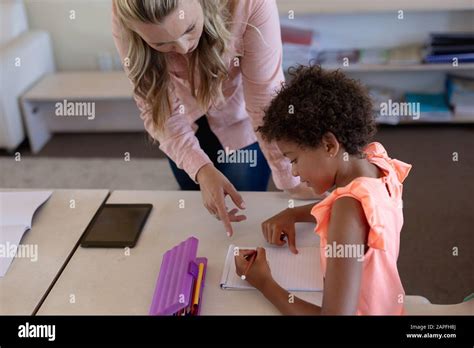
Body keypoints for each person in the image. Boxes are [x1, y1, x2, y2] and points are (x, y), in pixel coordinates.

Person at [111, 0, 319, 238]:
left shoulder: (249, 4)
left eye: (189, 29)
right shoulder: (126, 10)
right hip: (183, 120)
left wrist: (289, 176)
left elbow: (264, 101)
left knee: (245, 215)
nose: (182, 48)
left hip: (240, 119)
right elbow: (157, 107)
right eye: (161, 44)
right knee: (196, 209)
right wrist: (200, 169)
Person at [235, 65, 412, 315]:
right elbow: (361, 214)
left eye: (294, 159)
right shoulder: (376, 163)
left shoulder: (347, 208)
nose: (294, 172)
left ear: (329, 145)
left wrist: (264, 282)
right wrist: (294, 214)